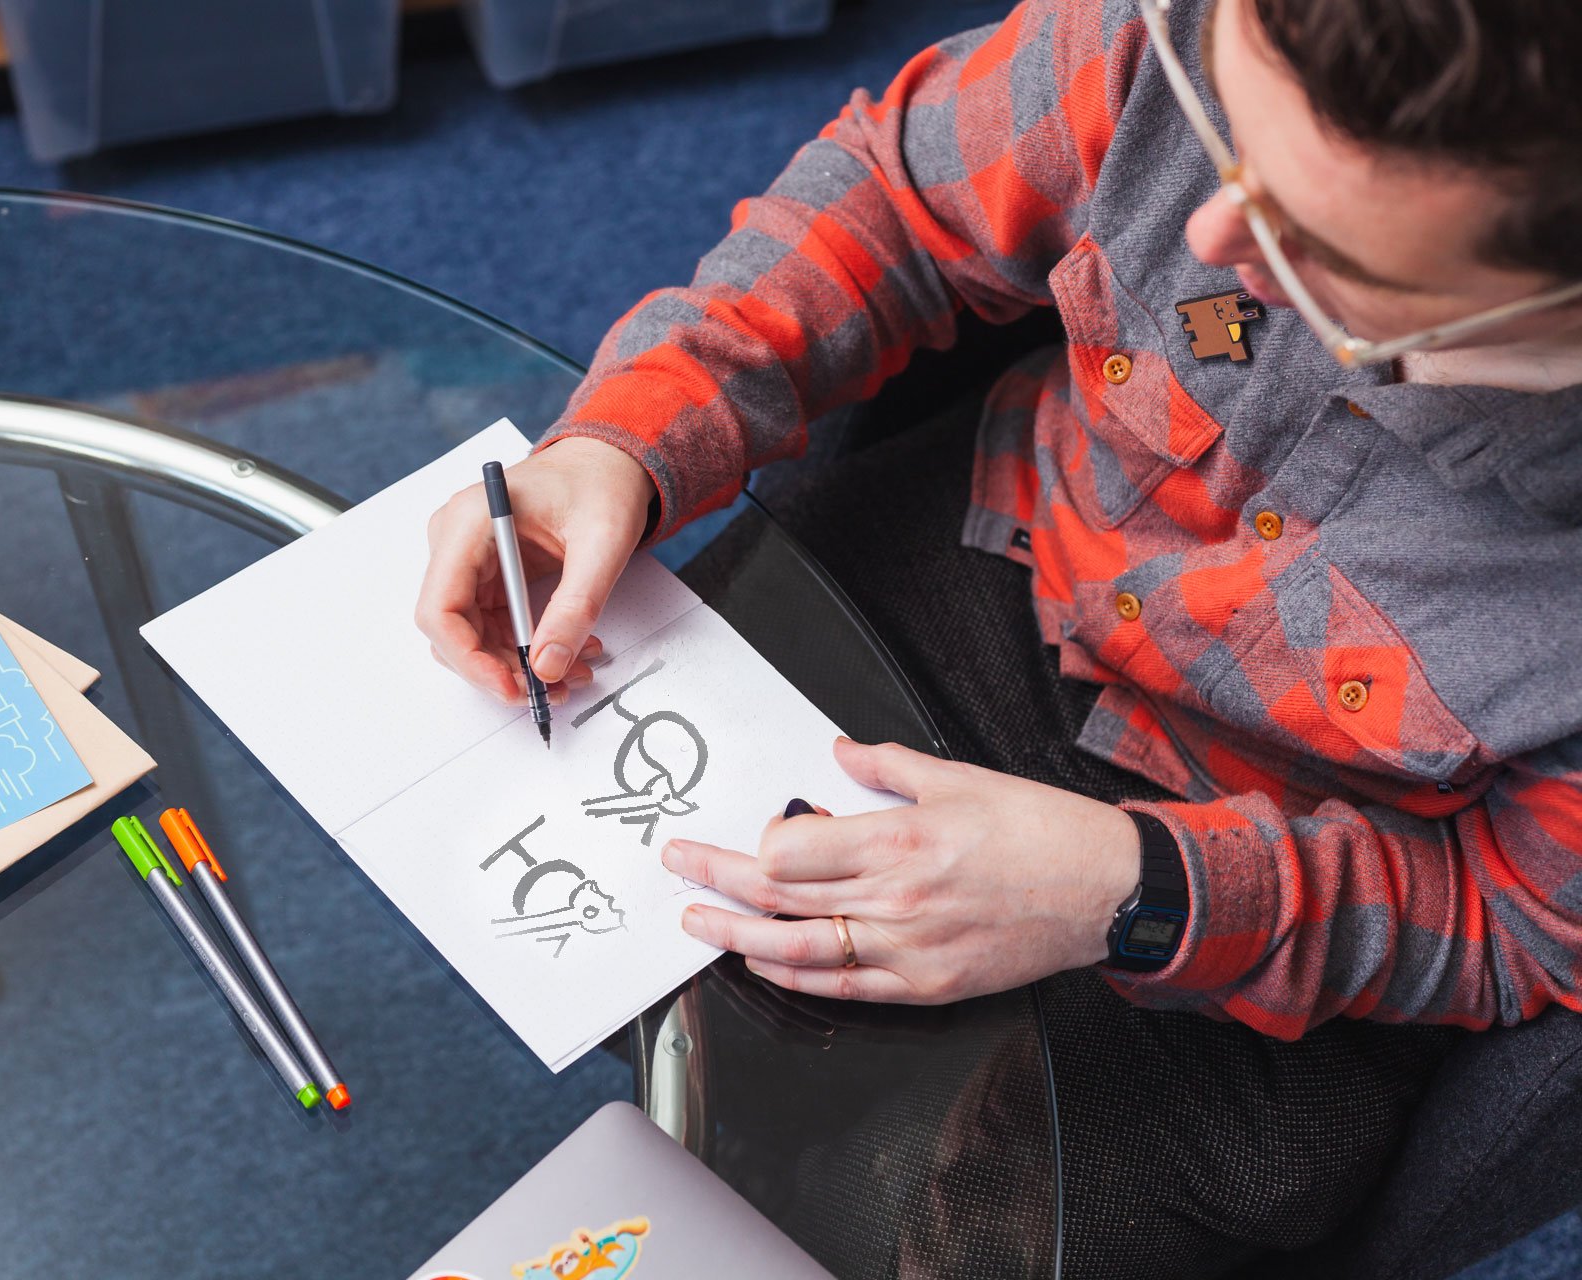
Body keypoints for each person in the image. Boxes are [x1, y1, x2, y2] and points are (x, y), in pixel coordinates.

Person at [417, 0, 1582, 1274]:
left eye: (1321, 256)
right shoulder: (1201, 35)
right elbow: (897, 198)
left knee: (954, 1238)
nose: (1206, 227)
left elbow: (1521, 923)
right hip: (996, 552)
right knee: (555, 864)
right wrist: (630, 434)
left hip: (1277, 901)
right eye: (1223, 129)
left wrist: (1134, 892)